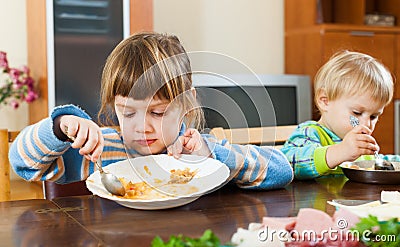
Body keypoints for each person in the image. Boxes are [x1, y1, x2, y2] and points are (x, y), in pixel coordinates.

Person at [9, 32, 293, 189]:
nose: (141, 127)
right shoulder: (102, 151)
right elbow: (22, 163)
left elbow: (282, 170)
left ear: (187, 104)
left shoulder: (198, 151)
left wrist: (214, 157)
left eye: (157, 113)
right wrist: (61, 126)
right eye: (128, 113)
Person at [281, 50, 397, 180]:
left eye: (373, 116)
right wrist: (341, 151)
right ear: (325, 101)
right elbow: (288, 163)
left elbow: (379, 161)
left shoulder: (360, 144)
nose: (366, 125)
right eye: (357, 113)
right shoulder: (310, 132)